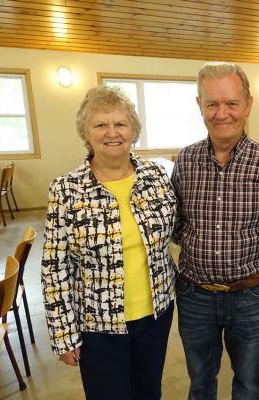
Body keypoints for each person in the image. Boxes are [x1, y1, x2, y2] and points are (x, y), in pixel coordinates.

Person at [41, 86, 177, 400]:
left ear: (134, 131)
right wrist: (63, 334)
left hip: (155, 315)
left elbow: (178, 230)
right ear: (86, 133)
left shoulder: (155, 177)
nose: (112, 133)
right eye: (100, 124)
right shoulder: (66, 190)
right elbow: (54, 268)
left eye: (120, 124)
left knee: (148, 393)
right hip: (97, 325)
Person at [171, 62, 259, 400]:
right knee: (200, 383)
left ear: (248, 105)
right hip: (194, 296)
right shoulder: (185, 162)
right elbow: (176, 224)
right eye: (212, 103)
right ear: (199, 105)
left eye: (232, 103)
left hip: (249, 296)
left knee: (247, 384)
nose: (222, 113)